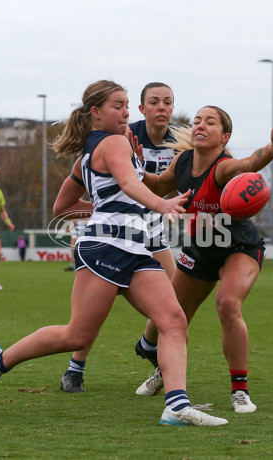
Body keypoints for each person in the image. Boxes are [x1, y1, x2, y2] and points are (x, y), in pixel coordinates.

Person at [0, 80, 228, 426]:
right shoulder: (114, 142)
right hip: (105, 248)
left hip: (135, 250)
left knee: (173, 320)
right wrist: (157, 204)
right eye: (117, 106)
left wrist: (109, 208)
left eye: (125, 105)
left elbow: (65, 205)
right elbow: (129, 184)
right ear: (96, 113)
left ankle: (176, 406)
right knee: (76, 335)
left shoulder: (97, 151)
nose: (124, 112)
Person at [134, 106, 273, 414]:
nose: (200, 125)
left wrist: (272, 150)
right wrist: (135, 168)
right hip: (201, 247)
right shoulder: (182, 161)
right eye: (197, 120)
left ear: (224, 137)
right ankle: (164, 370)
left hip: (238, 245)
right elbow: (158, 187)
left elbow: (251, 163)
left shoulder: (224, 167)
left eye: (210, 122)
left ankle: (239, 390)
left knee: (227, 303)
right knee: (172, 316)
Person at [60, 82, 177, 392]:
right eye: (154, 102)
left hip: (149, 229)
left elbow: (158, 184)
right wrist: (105, 209)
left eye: (168, 102)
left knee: (172, 305)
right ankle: (75, 368)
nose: (162, 107)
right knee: (91, 313)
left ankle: (152, 349)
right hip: (115, 235)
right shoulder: (122, 135)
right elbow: (127, 184)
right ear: (143, 109)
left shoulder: (179, 143)